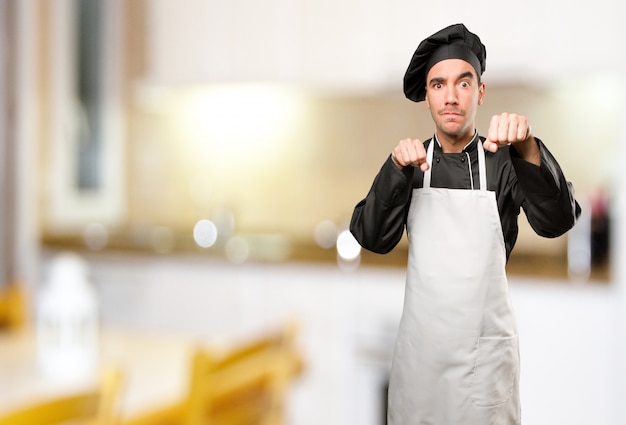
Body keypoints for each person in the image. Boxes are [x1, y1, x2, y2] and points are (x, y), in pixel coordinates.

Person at [349, 23, 581, 425]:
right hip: (421, 362)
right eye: (438, 85)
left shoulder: (505, 162)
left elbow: (557, 221)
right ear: (427, 97)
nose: (451, 96)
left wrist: (527, 147)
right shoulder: (411, 165)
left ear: (481, 91)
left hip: (484, 365)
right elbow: (371, 237)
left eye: (463, 82)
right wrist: (393, 170)